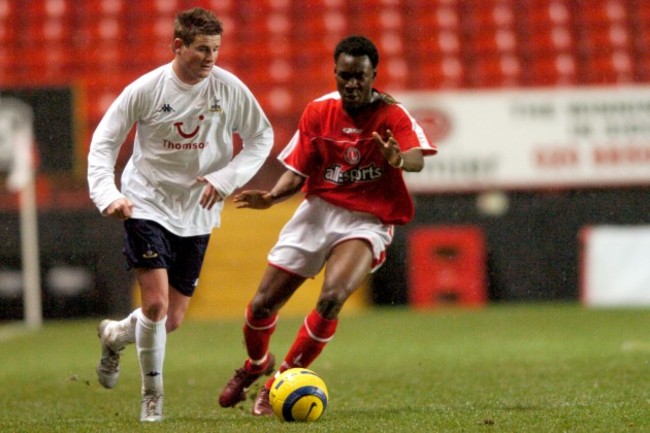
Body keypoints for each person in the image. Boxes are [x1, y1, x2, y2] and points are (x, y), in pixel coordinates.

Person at [218, 35, 437, 416]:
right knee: (261, 305)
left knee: (332, 297)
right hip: (318, 212)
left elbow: (417, 158)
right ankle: (256, 365)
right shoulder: (318, 112)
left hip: (368, 220)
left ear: (374, 76)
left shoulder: (392, 115)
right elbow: (297, 171)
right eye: (345, 76)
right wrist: (271, 198)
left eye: (361, 77)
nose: (352, 84)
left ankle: (278, 382)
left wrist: (398, 159)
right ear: (335, 73)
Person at [87, 7, 273, 422]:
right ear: (178, 46)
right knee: (154, 305)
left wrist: (227, 177)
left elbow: (262, 136)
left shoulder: (228, 89)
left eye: (216, 50)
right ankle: (152, 397)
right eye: (202, 49)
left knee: (170, 319)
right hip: (146, 201)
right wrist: (107, 195)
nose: (211, 58)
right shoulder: (148, 89)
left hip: (197, 209)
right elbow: (104, 141)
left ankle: (115, 335)